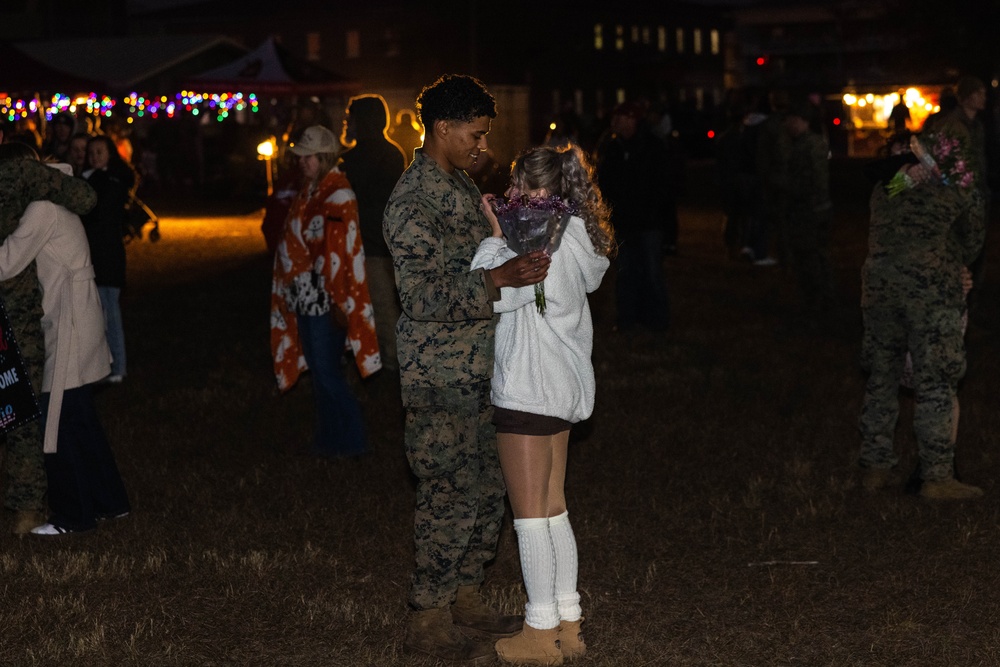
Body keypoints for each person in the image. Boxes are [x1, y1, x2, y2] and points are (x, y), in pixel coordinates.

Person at [383, 73, 550, 662]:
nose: (483, 147)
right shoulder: (413, 200)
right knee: (448, 493)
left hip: (487, 366)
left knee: (487, 491)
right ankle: (428, 617)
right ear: (442, 128)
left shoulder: (458, 187)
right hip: (441, 375)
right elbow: (421, 296)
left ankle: (467, 597)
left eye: (485, 135)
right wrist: (498, 279)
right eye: (474, 135)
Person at [471, 144, 614, 665]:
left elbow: (499, 292)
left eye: (523, 190)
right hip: (562, 388)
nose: (520, 200)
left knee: (529, 518)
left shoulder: (535, 240)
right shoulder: (577, 235)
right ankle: (569, 622)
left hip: (530, 386)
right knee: (554, 510)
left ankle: (540, 630)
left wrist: (493, 239)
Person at [0, 147, 130, 534]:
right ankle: (111, 501)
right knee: (81, 419)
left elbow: (7, 261)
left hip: (70, 320)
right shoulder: (59, 196)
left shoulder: (41, 208)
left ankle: (73, 516)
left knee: (54, 418)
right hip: (77, 314)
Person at [859, 126, 986, 500]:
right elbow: (973, 239)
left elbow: (889, 208)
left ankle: (875, 467)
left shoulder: (886, 189)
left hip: (880, 291)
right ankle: (937, 476)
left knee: (882, 377)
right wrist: (952, 263)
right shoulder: (956, 189)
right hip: (930, 294)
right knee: (936, 381)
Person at [269, 125, 381, 458]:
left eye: (310, 157)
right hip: (306, 295)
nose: (302, 162)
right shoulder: (311, 190)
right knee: (320, 373)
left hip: (326, 298)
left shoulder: (337, 194)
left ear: (325, 156)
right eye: (301, 156)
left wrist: (338, 300)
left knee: (327, 372)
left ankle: (353, 440)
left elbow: (339, 252)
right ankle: (331, 439)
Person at [339, 94, 408, 374]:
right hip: (366, 243)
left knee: (380, 305)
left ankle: (390, 362)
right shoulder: (390, 153)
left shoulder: (371, 157)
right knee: (365, 305)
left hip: (372, 245)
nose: (346, 123)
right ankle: (371, 357)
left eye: (351, 117)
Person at [595, 100, 671, 334]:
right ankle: (628, 318)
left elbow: (662, 186)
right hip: (623, 222)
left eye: (619, 118)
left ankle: (656, 320)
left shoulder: (653, 147)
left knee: (651, 271)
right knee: (625, 272)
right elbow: (605, 181)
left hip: (648, 222)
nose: (614, 123)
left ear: (632, 120)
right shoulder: (612, 147)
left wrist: (657, 216)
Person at [81, 134, 136, 383]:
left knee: (110, 313)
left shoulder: (113, 181)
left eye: (99, 152)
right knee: (98, 313)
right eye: (91, 152)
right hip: (95, 254)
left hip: (108, 256)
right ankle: (105, 366)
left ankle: (118, 366)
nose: (94, 157)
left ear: (109, 154)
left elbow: (100, 212)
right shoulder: (88, 179)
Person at [784, 99, 835, 319]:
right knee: (812, 256)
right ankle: (819, 299)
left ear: (801, 121)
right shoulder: (805, 143)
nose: (788, 125)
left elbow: (817, 180)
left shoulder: (810, 144)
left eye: (791, 120)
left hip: (810, 209)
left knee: (811, 256)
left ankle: (819, 300)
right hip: (810, 208)